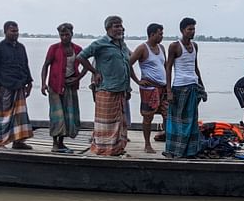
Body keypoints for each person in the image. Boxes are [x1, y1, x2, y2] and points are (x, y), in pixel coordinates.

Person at [77, 16, 132, 156]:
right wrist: (95, 72)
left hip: (121, 89)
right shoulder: (100, 44)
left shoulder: (122, 45)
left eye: (120, 26)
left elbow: (128, 63)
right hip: (107, 88)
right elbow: (81, 57)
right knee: (106, 123)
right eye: (115, 26)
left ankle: (117, 148)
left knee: (120, 122)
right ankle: (103, 149)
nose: (119, 29)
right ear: (108, 29)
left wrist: (129, 87)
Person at [40, 23, 85, 153]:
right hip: (55, 85)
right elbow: (45, 66)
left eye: (67, 34)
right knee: (57, 115)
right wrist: (43, 84)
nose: (64, 37)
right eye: (62, 35)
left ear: (72, 34)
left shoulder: (77, 49)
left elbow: (86, 65)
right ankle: (55, 144)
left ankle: (61, 143)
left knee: (68, 114)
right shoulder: (54, 48)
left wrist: (78, 78)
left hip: (70, 85)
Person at [0, 21, 34, 149]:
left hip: (19, 84)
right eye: (12, 31)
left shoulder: (21, 47)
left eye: (17, 31)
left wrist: (29, 82)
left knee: (20, 116)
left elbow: (25, 65)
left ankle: (18, 142)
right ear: (5, 32)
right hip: (4, 86)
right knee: (3, 116)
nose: (15, 34)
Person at [165, 17, 204, 158]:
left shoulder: (195, 46)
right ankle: (173, 150)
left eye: (193, 29)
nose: (192, 32)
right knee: (176, 120)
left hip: (193, 86)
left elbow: (195, 67)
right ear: (182, 30)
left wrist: (202, 85)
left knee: (191, 120)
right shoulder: (175, 46)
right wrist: (168, 90)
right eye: (189, 29)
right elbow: (168, 68)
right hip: (179, 87)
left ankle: (190, 150)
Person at [129, 23, 168, 153]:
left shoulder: (162, 48)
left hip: (163, 88)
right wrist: (137, 81)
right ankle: (147, 144)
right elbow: (128, 64)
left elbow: (166, 66)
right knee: (147, 117)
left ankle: (168, 140)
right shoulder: (142, 48)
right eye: (160, 33)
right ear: (152, 34)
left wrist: (169, 86)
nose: (162, 36)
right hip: (149, 88)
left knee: (168, 115)